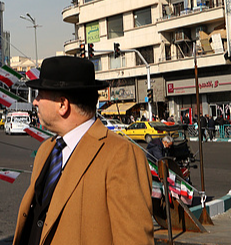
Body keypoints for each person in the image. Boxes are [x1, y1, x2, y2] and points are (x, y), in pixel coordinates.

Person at [12, 56, 153, 245]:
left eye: (39, 94)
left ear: (63, 105)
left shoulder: (120, 155)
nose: (35, 102)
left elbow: (134, 240)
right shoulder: (47, 149)